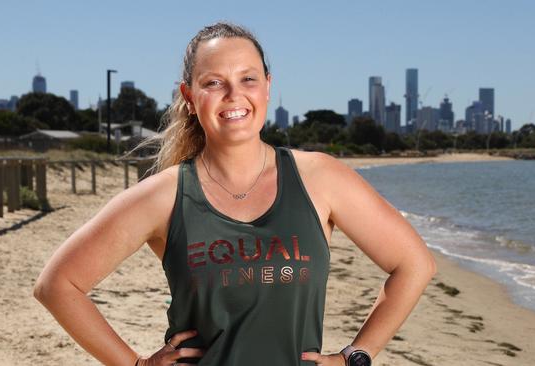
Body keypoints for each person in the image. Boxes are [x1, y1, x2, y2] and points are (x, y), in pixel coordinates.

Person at [33, 22, 437, 366]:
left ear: (267, 87)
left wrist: (356, 355)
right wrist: (135, 364)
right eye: (213, 83)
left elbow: (413, 265)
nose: (233, 95)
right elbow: (58, 285)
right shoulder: (164, 195)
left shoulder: (320, 177)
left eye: (248, 78)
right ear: (189, 98)